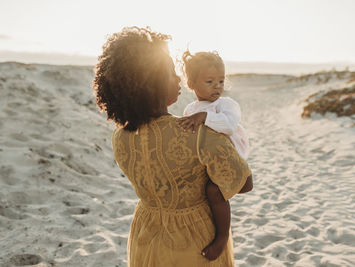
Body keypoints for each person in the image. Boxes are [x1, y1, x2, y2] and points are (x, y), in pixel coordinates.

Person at [92, 26, 253, 267]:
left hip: (146, 235)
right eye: (170, 72)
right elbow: (244, 183)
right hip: (195, 242)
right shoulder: (199, 133)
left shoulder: (120, 137)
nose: (179, 78)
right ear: (151, 82)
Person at [178, 51, 249, 260]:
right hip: (206, 159)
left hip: (231, 156)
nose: (217, 86)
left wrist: (205, 117)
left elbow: (228, 126)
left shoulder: (226, 105)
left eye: (221, 80)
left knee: (214, 190)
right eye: (210, 81)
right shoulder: (190, 108)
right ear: (191, 83)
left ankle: (222, 237)